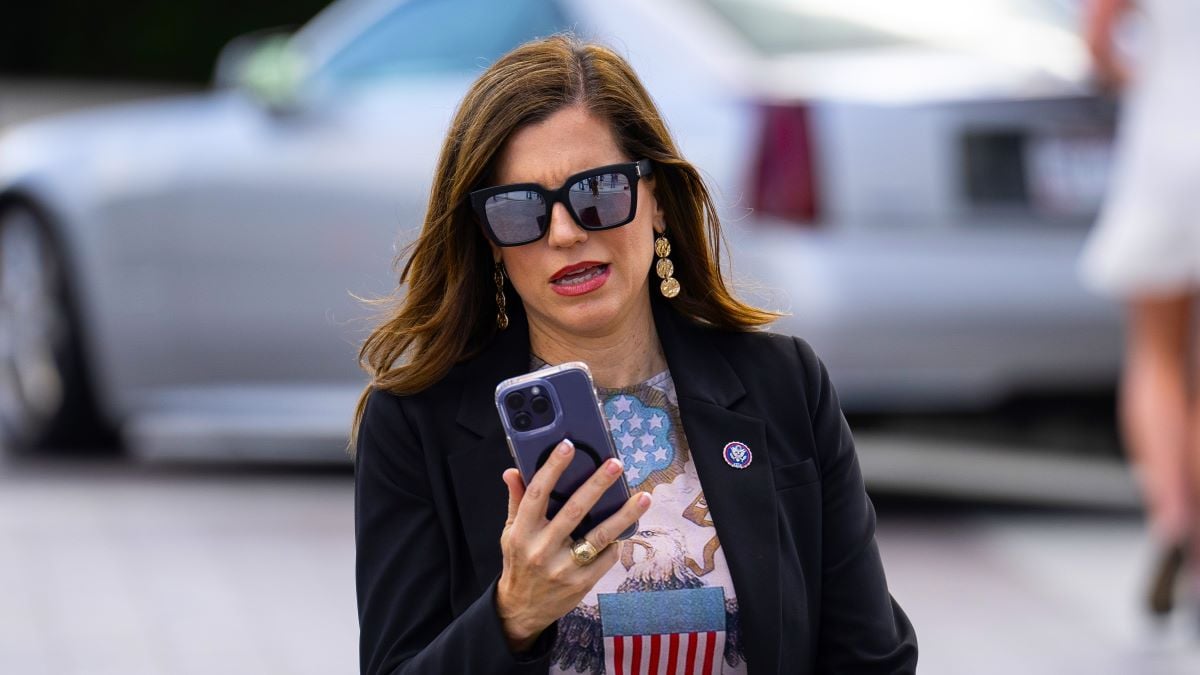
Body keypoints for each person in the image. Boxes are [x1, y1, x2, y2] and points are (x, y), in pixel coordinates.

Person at [350, 34, 917, 674]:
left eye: (597, 193)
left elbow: (871, 659)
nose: (565, 232)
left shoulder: (785, 386)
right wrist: (511, 616)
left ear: (658, 204)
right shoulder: (412, 424)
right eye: (518, 210)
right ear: (489, 241)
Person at [1078, 0, 1200, 619]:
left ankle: (1174, 518)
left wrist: (1138, 79)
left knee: (1156, 355)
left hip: (1168, 141)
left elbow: (1097, 37)